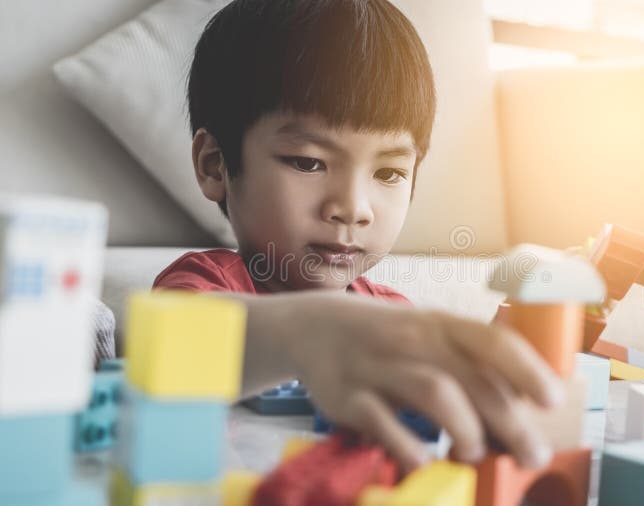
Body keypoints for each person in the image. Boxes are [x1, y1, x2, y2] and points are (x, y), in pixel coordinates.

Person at [153, 0, 564, 471]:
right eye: (308, 162)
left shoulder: (388, 318)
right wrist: (311, 332)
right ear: (215, 165)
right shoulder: (202, 283)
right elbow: (173, 339)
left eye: (388, 172)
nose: (353, 207)